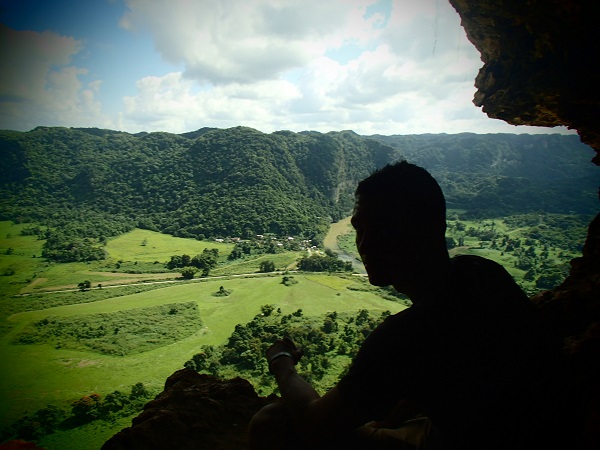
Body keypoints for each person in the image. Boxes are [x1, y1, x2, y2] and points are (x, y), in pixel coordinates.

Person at [249, 161, 569, 450]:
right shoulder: (482, 273)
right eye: (360, 228)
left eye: (385, 228)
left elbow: (314, 423)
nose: (366, 243)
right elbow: (445, 373)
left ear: (429, 228)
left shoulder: (409, 332)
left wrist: (281, 361)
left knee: (274, 420)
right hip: (543, 431)